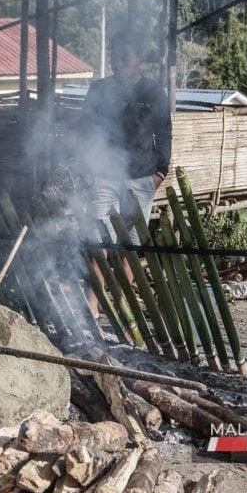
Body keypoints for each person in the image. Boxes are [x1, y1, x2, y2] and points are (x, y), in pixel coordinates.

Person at [77, 31, 172, 315]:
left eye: (125, 57)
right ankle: (92, 307)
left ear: (138, 59)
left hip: (142, 178)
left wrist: (160, 172)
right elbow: (85, 130)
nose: (119, 62)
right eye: (115, 57)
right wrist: (88, 169)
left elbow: (165, 131)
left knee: (130, 246)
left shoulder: (153, 92)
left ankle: (121, 307)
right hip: (104, 176)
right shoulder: (99, 90)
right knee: (99, 241)